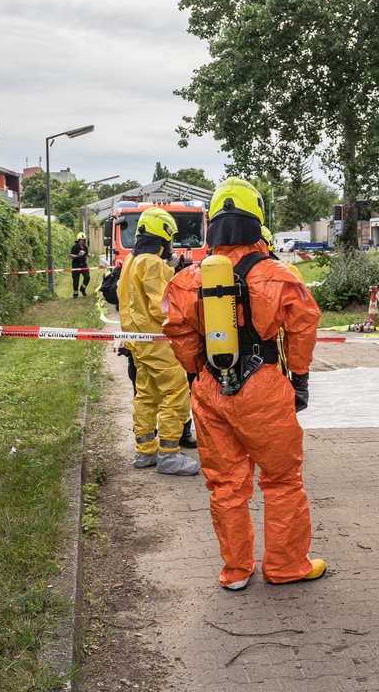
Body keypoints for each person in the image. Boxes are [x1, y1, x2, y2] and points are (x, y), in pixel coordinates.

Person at [163, 178, 325, 590]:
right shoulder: (278, 275)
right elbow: (304, 325)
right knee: (282, 480)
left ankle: (235, 571)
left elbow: (177, 330)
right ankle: (286, 566)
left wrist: (197, 369)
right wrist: (300, 378)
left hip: (209, 388)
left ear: (213, 225)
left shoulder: (187, 280)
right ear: (257, 223)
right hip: (264, 387)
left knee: (225, 484)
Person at [116, 209, 200, 475]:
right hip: (157, 342)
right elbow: (160, 306)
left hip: (137, 341)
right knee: (175, 392)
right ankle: (169, 455)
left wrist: (168, 268)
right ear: (164, 236)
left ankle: (145, 452)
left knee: (146, 394)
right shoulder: (151, 263)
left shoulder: (131, 260)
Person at [69, 233, 91, 297]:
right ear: (78, 240)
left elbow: (87, 254)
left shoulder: (85, 247)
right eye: (81, 240)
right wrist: (77, 255)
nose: (83, 241)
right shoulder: (75, 247)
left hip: (84, 265)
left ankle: (82, 289)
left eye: (84, 240)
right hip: (76, 265)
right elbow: (71, 255)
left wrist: (90, 255)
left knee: (87, 277)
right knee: (76, 281)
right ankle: (75, 293)